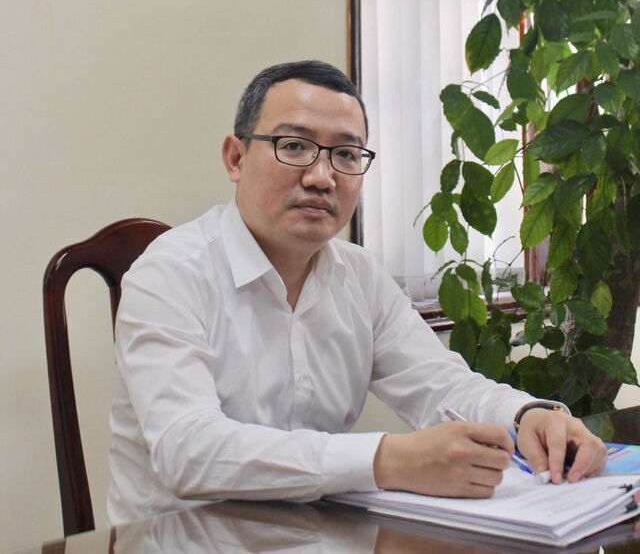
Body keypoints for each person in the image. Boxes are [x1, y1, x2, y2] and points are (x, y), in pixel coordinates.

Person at [107, 60, 607, 525]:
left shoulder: (359, 275)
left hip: (315, 534)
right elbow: (188, 450)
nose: (321, 177)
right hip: (180, 539)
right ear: (235, 158)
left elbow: (442, 386)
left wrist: (526, 415)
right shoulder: (170, 273)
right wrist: (387, 459)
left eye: (346, 155)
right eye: (294, 146)